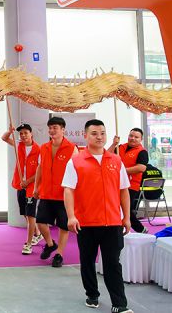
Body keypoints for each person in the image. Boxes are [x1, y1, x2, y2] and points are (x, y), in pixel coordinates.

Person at [62, 119, 133, 313]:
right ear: (85, 135)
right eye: (94, 133)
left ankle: (119, 304)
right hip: (86, 222)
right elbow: (68, 190)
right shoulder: (76, 162)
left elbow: (124, 190)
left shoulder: (116, 161)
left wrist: (126, 217)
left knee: (113, 264)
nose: (99, 137)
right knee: (87, 262)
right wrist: (71, 216)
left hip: (112, 222)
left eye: (102, 133)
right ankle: (92, 294)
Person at [33, 116, 78, 267]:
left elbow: (78, 171)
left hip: (64, 194)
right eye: (50, 128)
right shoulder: (44, 147)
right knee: (40, 222)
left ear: (63, 130)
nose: (52, 131)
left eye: (55, 128)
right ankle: (50, 244)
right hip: (46, 192)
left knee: (63, 226)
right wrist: (36, 187)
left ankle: (59, 254)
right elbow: (40, 168)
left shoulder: (72, 148)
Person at [1, 123, 42, 255]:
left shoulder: (39, 150)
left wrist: (28, 181)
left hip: (32, 187)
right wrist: (9, 131)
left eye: (26, 133)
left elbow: (40, 171)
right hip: (20, 185)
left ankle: (28, 244)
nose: (23, 135)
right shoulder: (19, 146)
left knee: (30, 215)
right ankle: (38, 234)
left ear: (31, 134)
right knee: (25, 213)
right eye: (21, 133)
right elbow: (4, 138)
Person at [109, 128, 149, 234]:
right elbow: (106, 156)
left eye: (136, 137)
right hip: (116, 184)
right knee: (117, 208)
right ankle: (120, 230)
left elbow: (141, 168)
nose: (133, 138)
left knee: (126, 210)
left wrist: (123, 171)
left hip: (131, 186)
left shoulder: (142, 152)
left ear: (141, 139)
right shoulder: (120, 147)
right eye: (131, 136)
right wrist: (113, 144)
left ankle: (141, 230)